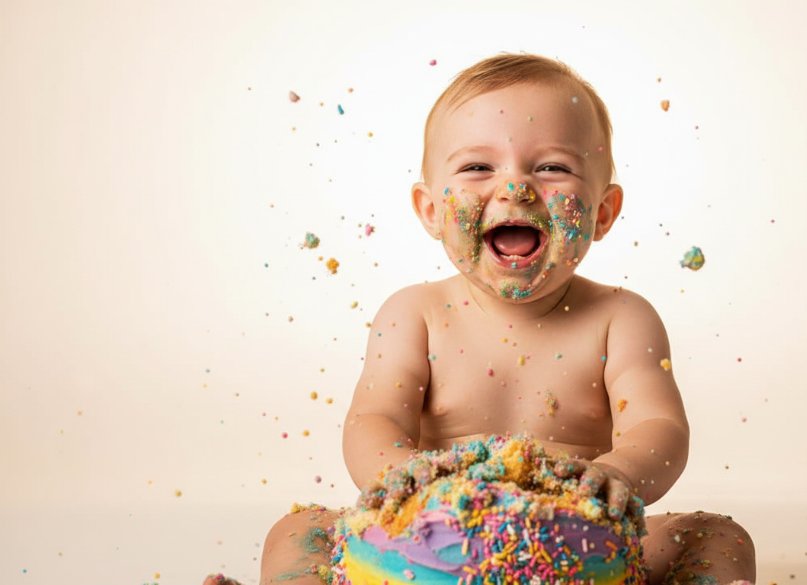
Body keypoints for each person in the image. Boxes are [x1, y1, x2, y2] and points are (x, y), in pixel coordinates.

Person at [207, 53, 755, 585]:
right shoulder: (414, 313)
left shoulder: (621, 317)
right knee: (299, 528)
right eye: (477, 167)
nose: (515, 188)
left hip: (575, 540)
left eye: (552, 168)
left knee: (713, 535)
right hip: (427, 539)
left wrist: (616, 475)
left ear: (603, 211)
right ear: (429, 210)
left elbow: (659, 429)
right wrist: (402, 477)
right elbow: (373, 421)